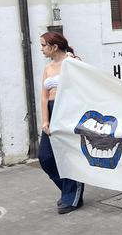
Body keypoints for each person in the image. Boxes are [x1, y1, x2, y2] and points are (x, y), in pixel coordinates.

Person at [38, 32, 84, 214]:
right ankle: (68, 190)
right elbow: (43, 97)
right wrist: (44, 121)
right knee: (46, 158)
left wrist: (73, 61)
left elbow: (85, 86)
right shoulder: (47, 68)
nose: (41, 49)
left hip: (68, 112)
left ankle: (72, 197)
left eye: (43, 45)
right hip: (51, 111)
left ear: (54, 47)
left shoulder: (73, 62)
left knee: (69, 156)